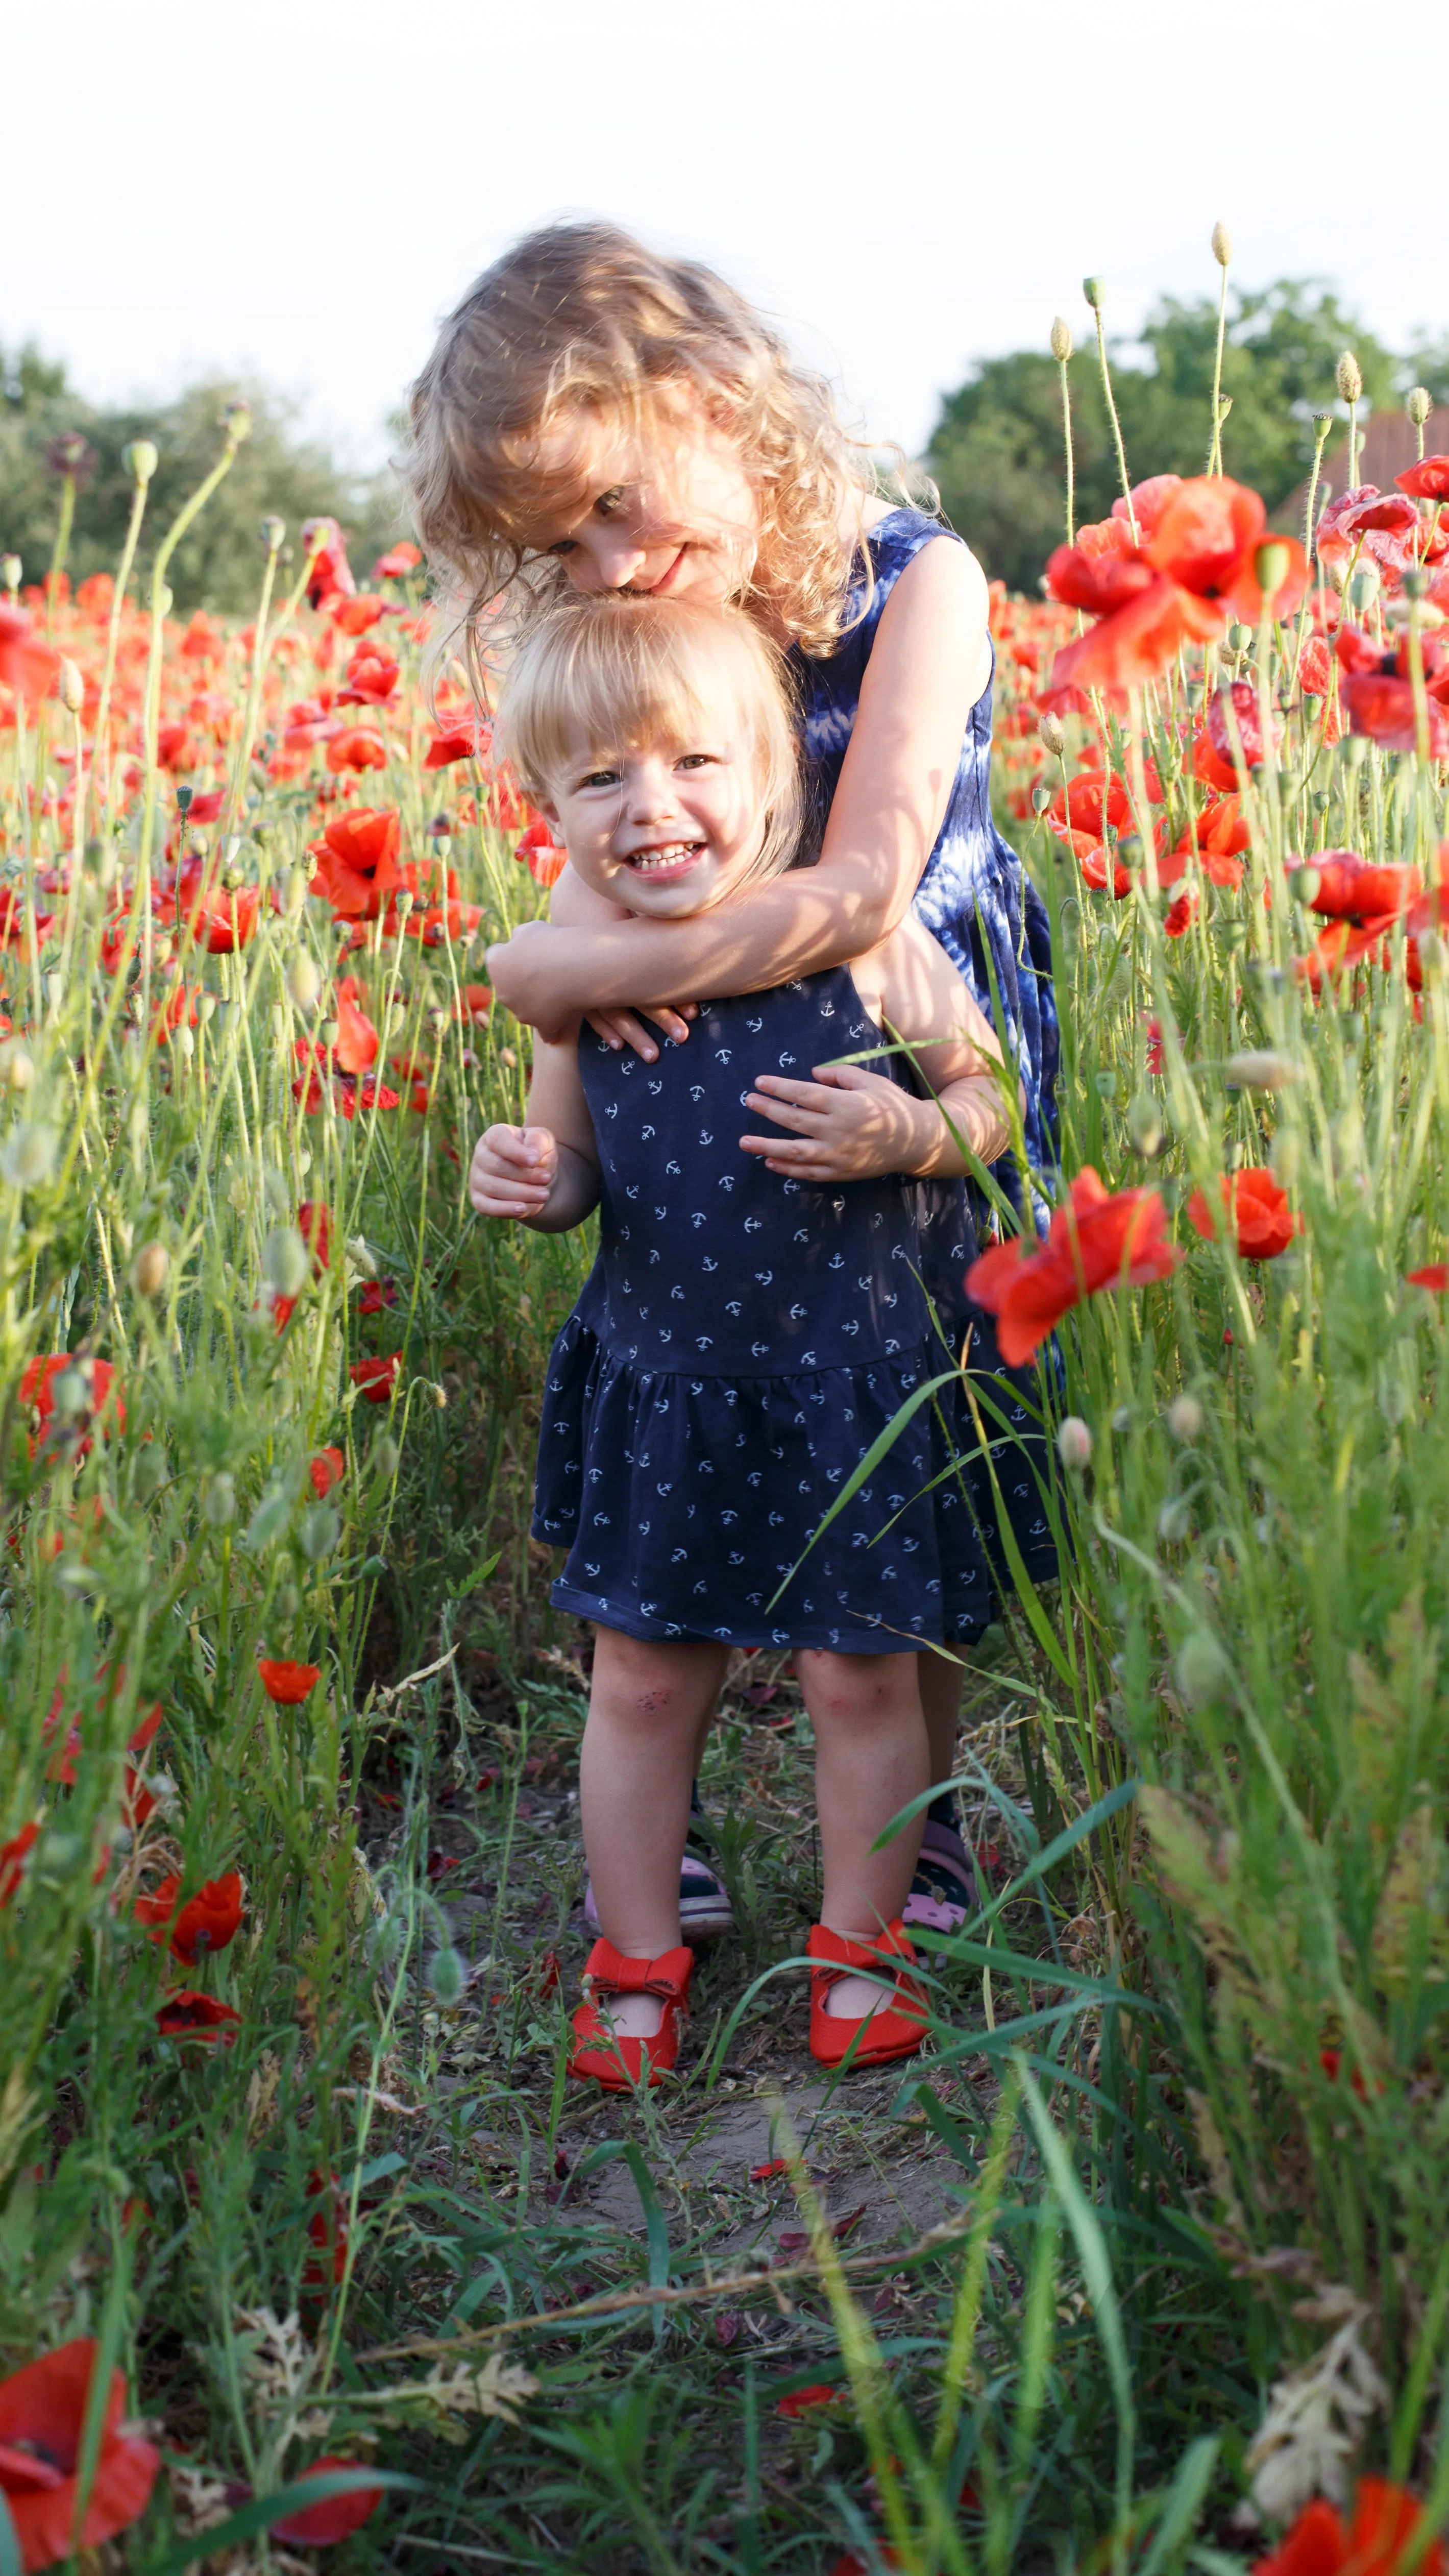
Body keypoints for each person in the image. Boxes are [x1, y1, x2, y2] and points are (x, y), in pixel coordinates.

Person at [409, 218, 1057, 1943]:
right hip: (703, 1126)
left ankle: (912, 1833)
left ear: (707, 393)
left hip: (900, 1042)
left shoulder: (912, 578)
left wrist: (569, 971)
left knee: (900, 1458)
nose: (616, 565)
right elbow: (609, 836)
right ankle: (662, 1838)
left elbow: (858, 891)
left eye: (619, 502)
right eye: (568, 544)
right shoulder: (657, 628)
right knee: (679, 1509)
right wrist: (569, 976)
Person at [468, 595, 1012, 2087]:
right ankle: (634, 1957)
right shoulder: (582, 964)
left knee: (860, 1677)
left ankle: (861, 1945)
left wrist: (912, 1125)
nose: (653, 808)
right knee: (640, 1678)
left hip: (850, 1378)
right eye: (598, 780)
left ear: (772, 765)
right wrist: (526, 1179)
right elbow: (566, 1165)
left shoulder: (861, 931)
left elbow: (991, 1105)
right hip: (672, 1383)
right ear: (550, 807)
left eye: (693, 761)